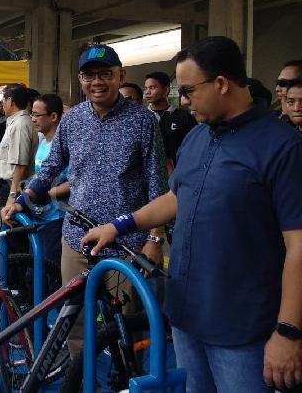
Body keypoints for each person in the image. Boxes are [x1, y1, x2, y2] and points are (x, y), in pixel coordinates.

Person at [81, 37, 302, 392]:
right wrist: (118, 225)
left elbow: (299, 247)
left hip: (241, 327)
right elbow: (176, 197)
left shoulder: (282, 147)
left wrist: (289, 331)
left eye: (187, 90)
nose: (182, 100)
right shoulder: (198, 136)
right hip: (186, 313)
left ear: (221, 83)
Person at [2, 44, 167, 355]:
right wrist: (21, 199)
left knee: (125, 327)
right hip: (77, 238)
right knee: (75, 321)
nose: (97, 82)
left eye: (106, 74)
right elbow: (51, 167)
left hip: (126, 242)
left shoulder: (143, 121)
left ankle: (123, 382)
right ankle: (81, 378)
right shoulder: (73, 119)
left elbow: (157, 182)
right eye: (89, 75)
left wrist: (155, 239)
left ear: (121, 76)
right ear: (79, 80)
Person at [23, 93, 69, 265]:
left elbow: (76, 180)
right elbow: (41, 175)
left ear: (54, 116)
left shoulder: (65, 146)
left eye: (37, 115)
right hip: (39, 217)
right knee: (34, 269)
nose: (33, 119)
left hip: (56, 219)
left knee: (50, 270)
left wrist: (49, 192)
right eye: (31, 114)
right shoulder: (43, 144)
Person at [0, 84, 38, 210]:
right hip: (9, 184)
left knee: (11, 224)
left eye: (3, 100)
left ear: (10, 101)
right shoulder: (15, 122)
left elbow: (20, 165)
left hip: (13, 186)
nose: (2, 104)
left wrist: (12, 196)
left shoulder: (20, 125)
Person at [143, 71, 197, 174]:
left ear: (166, 90)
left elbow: (193, 147)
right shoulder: (141, 118)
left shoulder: (183, 116)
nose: (147, 92)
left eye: (152, 88)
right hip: (150, 176)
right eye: (146, 88)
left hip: (180, 174)